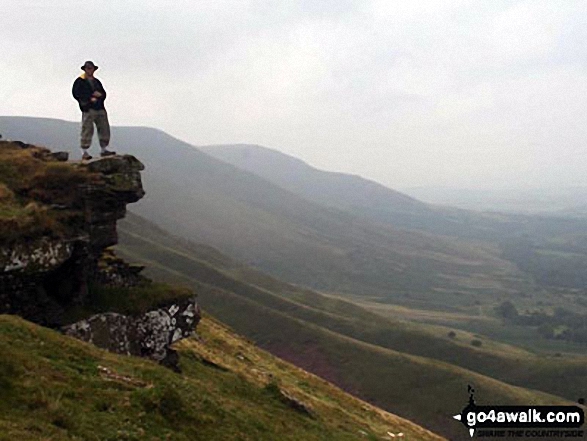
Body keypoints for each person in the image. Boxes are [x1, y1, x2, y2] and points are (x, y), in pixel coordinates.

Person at [72, 61, 115, 160]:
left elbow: (103, 93)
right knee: (87, 129)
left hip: (99, 107)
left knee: (104, 127)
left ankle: (104, 149)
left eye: (91, 68)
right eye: (88, 68)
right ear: (85, 69)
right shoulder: (80, 81)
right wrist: (88, 99)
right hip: (88, 108)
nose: (90, 70)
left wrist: (100, 96)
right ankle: (84, 151)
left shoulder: (97, 81)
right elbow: (76, 94)